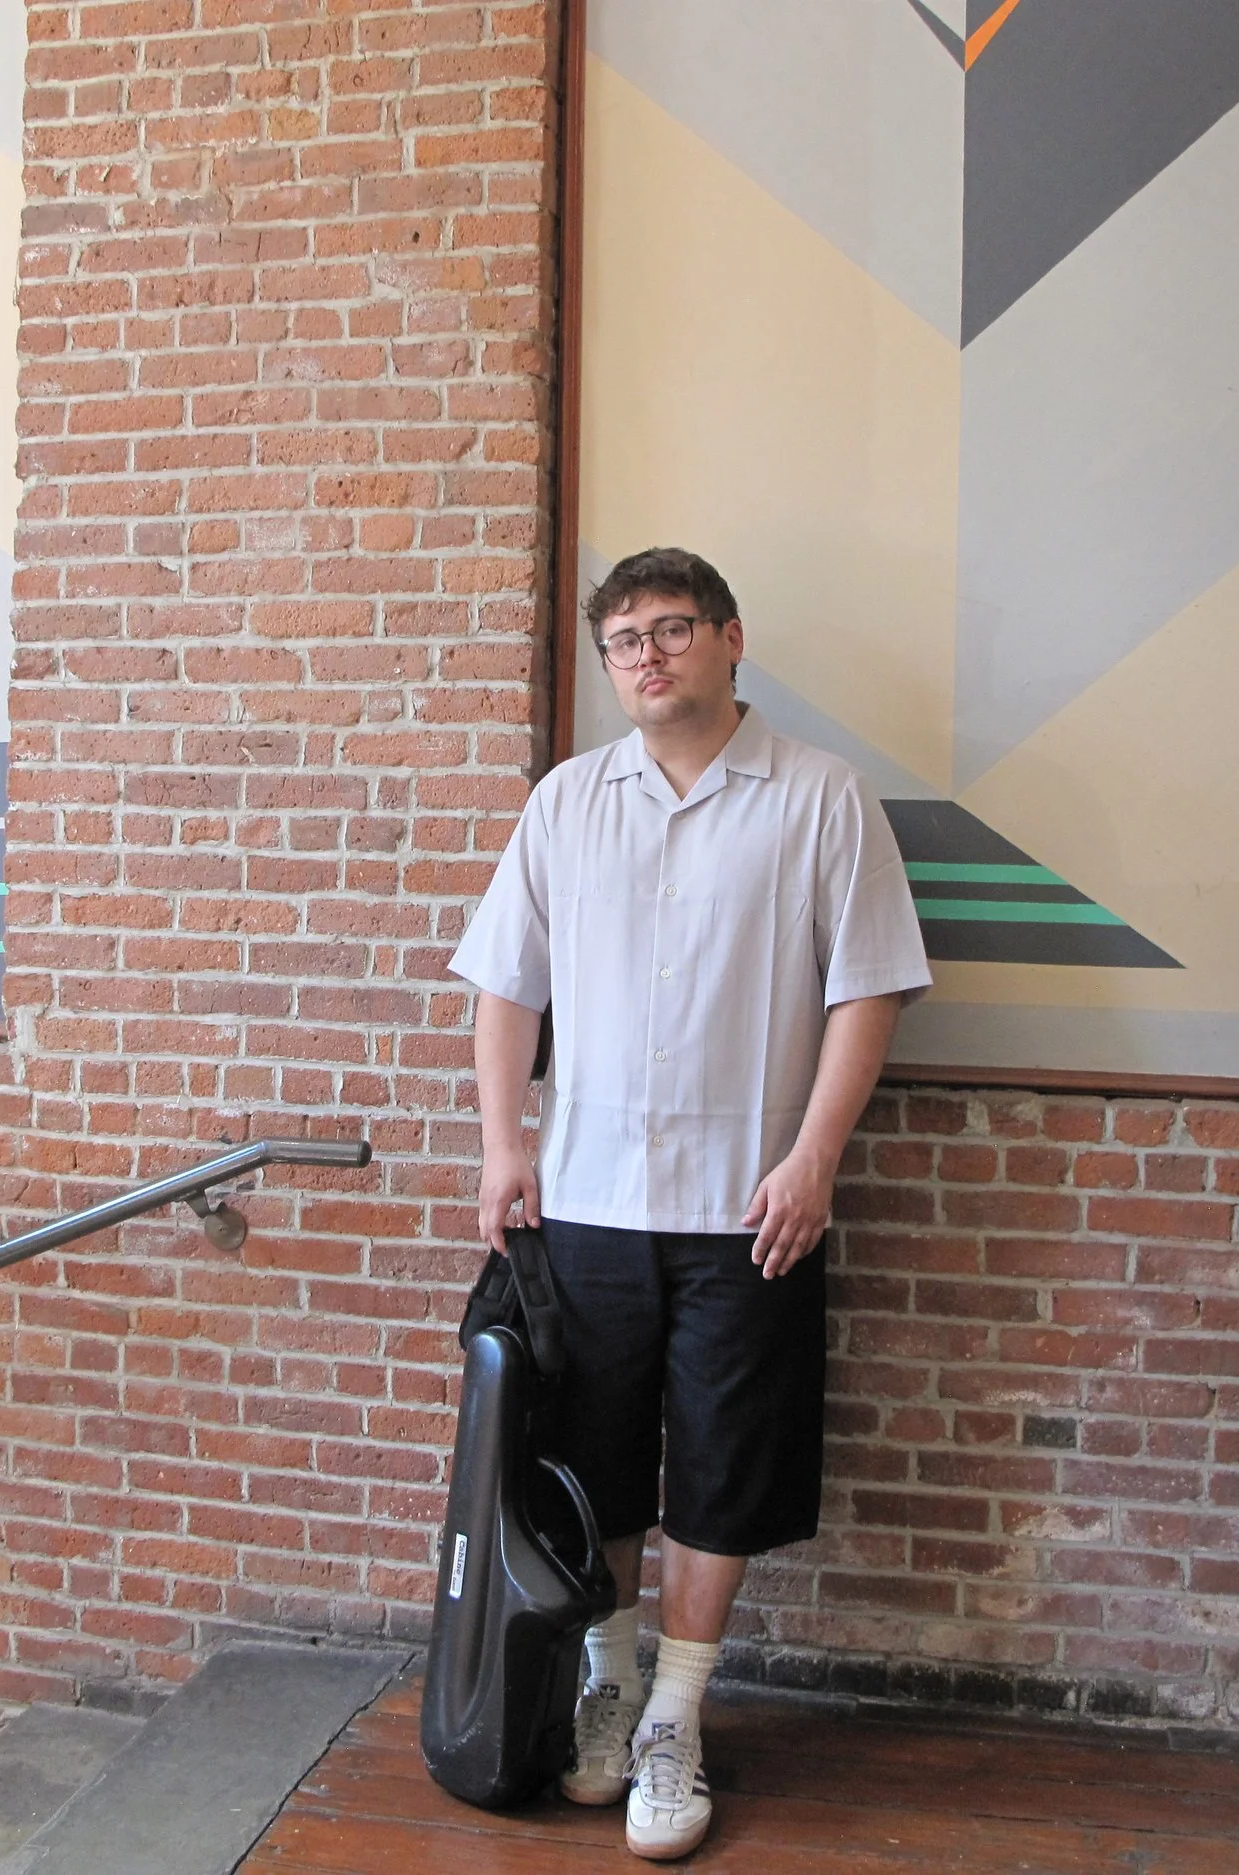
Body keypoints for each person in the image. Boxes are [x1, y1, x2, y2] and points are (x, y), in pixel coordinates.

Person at [448, 546, 932, 1859]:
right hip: (586, 1200)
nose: (647, 655)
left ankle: (676, 1713)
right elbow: (508, 988)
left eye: (672, 629)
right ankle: (608, 1687)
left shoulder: (823, 800)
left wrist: (818, 1155)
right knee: (593, 1460)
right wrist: (506, 1143)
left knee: (725, 1464)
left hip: (751, 1204)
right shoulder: (565, 803)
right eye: (623, 639)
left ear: (730, 640)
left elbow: (867, 989)